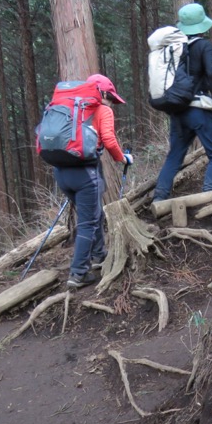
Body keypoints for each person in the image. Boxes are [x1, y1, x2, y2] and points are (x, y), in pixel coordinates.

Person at [57, 74, 132, 288]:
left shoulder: (70, 108)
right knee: (88, 222)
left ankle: (99, 255)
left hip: (62, 172)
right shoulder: (101, 109)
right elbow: (108, 139)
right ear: (103, 94)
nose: (112, 104)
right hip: (85, 174)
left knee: (91, 215)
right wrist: (122, 158)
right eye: (111, 99)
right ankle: (78, 273)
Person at [154, 3, 212, 202]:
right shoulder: (204, 45)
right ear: (201, 25)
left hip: (177, 111)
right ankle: (208, 199)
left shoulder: (173, 48)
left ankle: (159, 199)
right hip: (198, 110)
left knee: (174, 156)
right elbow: (211, 73)